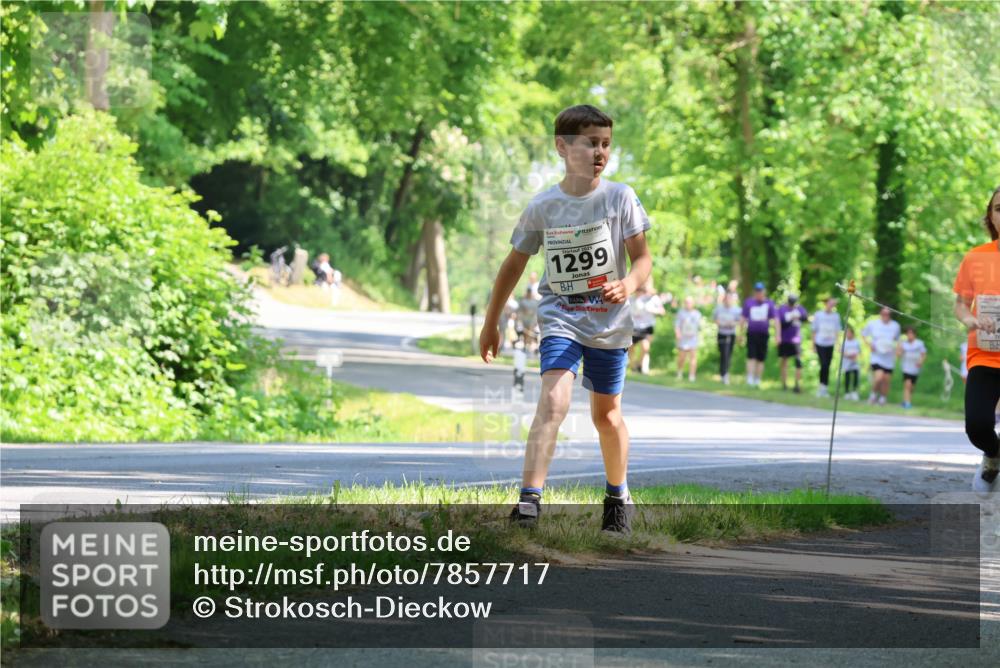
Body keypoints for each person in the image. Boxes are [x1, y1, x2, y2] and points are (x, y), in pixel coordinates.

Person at [478, 104, 652, 531]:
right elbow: (512, 266)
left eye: (606, 144)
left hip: (609, 322)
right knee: (553, 400)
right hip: (562, 316)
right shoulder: (544, 207)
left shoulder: (619, 197)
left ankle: (617, 495)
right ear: (562, 146)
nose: (600, 152)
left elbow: (643, 260)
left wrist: (628, 285)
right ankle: (529, 500)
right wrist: (491, 321)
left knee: (606, 416)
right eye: (591, 142)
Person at [954, 185, 1000, 496]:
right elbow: (960, 303)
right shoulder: (977, 257)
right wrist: (971, 320)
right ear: (990, 216)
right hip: (985, 354)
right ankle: (993, 459)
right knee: (978, 426)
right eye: (998, 208)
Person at [741, 282, 780, 387]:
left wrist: (777, 335)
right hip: (751, 333)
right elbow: (743, 318)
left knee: (760, 358)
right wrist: (740, 334)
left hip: (763, 334)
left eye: (761, 291)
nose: (759, 293)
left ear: (764, 291)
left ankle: (757, 379)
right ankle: (750, 378)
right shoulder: (749, 303)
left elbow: (775, 319)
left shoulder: (769, 303)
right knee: (751, 356)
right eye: (757, 291)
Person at [862, 306, 901, 405]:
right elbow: (864, 335)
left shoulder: (895, 326)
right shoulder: (873, 324)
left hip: (889, 356)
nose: (885, 316)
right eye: (883, 313)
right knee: (879, 377)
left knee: (886, 379)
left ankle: (883, 398)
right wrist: (869, 344)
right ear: (880, 314)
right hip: (877, 356)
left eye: (888, 314)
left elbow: (898, 340)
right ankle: (873, 395)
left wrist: (898, 351)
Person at [629, 278, 665, 375]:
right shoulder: (631, 298)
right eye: (638, 289)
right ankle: (633, 366)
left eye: (642, 290)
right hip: (634, 326)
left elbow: (662, 311)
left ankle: (641, 366)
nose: (639, 292)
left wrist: (653, 310)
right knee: (630, 348)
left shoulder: (653, 299)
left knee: (645, 348)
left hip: (647, 326)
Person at [777, 294, 808, 393]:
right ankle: (784, 384)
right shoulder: (782, 309)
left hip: (796, 340)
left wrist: (798, 316)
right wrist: (791, 318)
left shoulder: (799, 309)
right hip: (785, 339)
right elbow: (781, 322)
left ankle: (797, 384)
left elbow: (805, 318)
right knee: (784, 361)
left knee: (798, 361)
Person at [812, 297, 842, 397]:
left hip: (830, 343)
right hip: (820, 343)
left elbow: (837, 331)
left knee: (827, 365)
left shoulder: (836, 316)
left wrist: (838, 344)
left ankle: (825, 387)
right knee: (823, 364)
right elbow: (814, 330)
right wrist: (813, 345)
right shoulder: (818, 315)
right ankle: (821, 386)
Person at [713, 291, 742, 384]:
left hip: (731, 334)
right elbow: (715, 319)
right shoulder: (719, 309)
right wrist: (721, 323)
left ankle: (725, 374)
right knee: (723, 354)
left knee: (728, 354)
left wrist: (733, 323)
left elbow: (740, 321)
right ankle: (722, 373)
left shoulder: (737, 310)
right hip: (721, 333)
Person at [897, 326, 927, 409]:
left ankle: (905, 400)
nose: (909, 335)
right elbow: (898, 355)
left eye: (911, 333)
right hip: (906, 367)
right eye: (908, 333)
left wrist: (920, 361)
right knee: (907, 384)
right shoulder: (904, 344)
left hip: (915, 368)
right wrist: (899, 346)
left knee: (911, 387)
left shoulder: (919, 343)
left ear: (914, 335)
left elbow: (923, 354)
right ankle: (908, 403)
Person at [674, 296, 702, 381]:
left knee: (693, 357)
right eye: (686, 302)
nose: (688, 304)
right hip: (683, 338)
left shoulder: (697, 314)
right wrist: (678, 334)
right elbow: (677, 326)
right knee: (682, 357)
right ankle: (679, 372)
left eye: (690, 302)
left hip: (693, 338)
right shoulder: (681, 313)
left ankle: (692, 375)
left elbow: (699, 327)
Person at [515, 285, 541, 354]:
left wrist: (536, 320)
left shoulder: (535, 302)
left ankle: (528, 347)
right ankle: (525, 346)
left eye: (530, 292)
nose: (529, 293)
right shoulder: (523, 301)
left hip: (531, 320)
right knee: (525, 334)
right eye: (528, 292)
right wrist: (519, 320)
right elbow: (519, 311)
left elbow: (536, 311)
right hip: (524, 320)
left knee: (530, 333)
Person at [841, 326, 861, 400]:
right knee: (847, 377)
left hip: (855, 362)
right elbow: (841, 351)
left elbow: (859, 351)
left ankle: (854, 392)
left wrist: (855, 356)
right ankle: (847, 392)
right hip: (847, 362)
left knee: (855, 376)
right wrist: (847, 355)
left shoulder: (856, 342)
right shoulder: (844, 342)